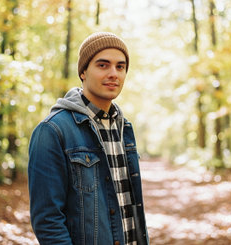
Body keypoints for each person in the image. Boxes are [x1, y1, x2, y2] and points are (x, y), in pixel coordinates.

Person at [28, 32, 149, 245]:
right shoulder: (52, 131)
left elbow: (127, 205)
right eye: (103, 65)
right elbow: (48, 221)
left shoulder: (124, 128)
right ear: (83, 72)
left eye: (120, 67)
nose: (114, 73)